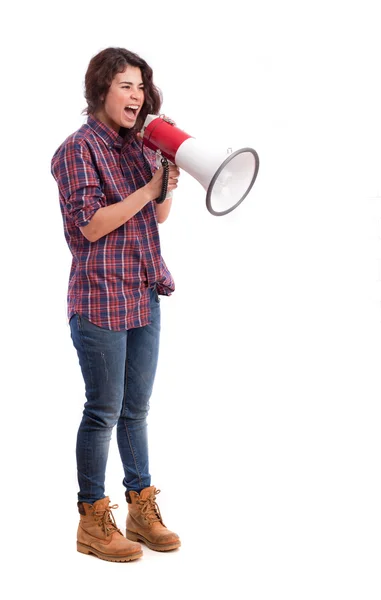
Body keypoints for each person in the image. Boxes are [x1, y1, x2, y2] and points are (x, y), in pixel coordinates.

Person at [51, 47, 181, 563]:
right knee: (103, 411)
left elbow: (161, 214)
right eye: (126, 85)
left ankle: (140, 507)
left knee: (136, 409)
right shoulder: (77, 148)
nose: (137, 95)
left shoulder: (138, 147)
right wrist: (149, 189)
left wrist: (164, 173)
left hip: (144, 291)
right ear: (101, 89)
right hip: (100, 296)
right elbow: (90, 224)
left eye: (141, 86)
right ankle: (91, 518)